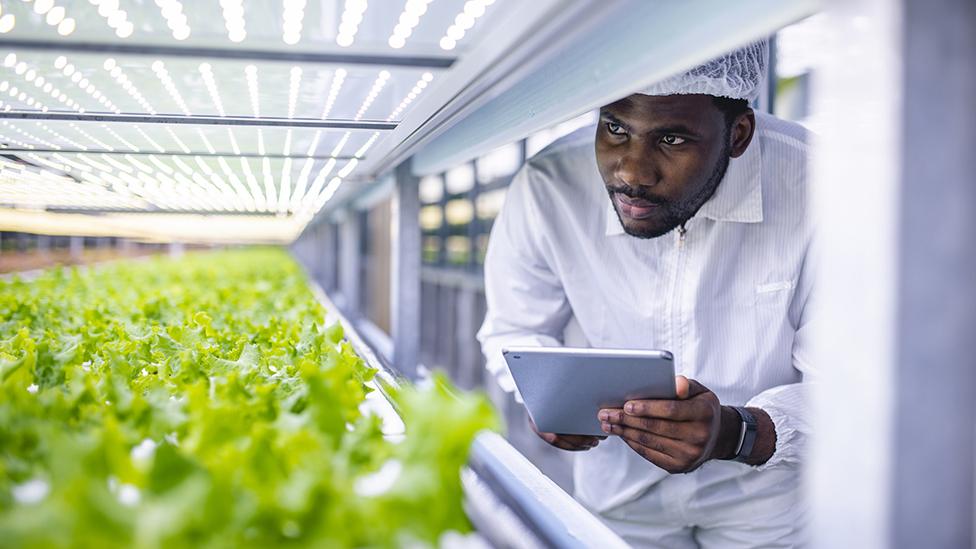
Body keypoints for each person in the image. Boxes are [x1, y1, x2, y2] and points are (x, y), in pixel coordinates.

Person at [477, 41, 814, 548]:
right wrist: (547, 396)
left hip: (769, 505)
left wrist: (737, 432)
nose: (632, 172)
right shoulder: (549, 186)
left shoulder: (822, 186)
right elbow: (513, 328)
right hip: (618, 501)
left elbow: (857, 383)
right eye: (615, 128)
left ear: (738, 134)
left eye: (672, 139)